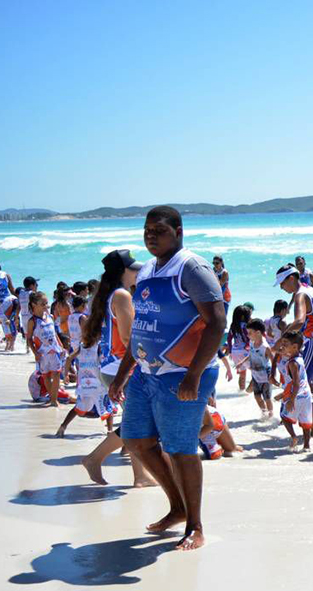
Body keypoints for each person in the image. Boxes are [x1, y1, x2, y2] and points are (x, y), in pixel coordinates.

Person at [109, 206, 226, 551]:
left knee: (180, 448)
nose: (151, 236)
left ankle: (195, 526)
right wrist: (122, 374)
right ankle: (177, 506)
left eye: (158, 230)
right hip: (145, 372)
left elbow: (217, 323)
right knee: (136, 439)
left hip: (182, 374)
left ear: (178, 231)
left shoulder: (192, 268)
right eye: (147, 231)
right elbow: (141, 328)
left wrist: (193, 375)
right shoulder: (147, 270)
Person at [79, 249, 152, 487]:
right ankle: (95, 458)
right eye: (133, 269)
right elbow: (128, 337)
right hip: (122, 368)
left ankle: (140, 475)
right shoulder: (121, 295)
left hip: (111, 367)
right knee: (137, 422)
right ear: (123, 271)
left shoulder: (109, 295)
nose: (137, 272)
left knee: (136, 421)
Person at [275, 262, 313, 439]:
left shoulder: (299, 295)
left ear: (291, 278)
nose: (281, 287)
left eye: (282, 283)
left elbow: (299, 321)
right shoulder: (310, 289)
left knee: (303, 386)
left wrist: (281, 340)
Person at [57, 337, 115, 437]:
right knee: (108, 408)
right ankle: (110, 431)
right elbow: (106, 361)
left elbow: (69, 358)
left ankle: (63, 426)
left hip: (85, 385)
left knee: (78, 408)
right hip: (98, 385)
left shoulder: (81, 347)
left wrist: (66, 374)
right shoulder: (99, 346)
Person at [275, 331, 313, 451]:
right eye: (282, 343)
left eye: (285, 343)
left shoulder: (292, 363)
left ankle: (294, 437)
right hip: (306, 395)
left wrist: (291, 399)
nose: (282, 346)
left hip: (296, 395)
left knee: (284, 417)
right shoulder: (300, 357)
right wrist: (282, 394)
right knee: (306, 422)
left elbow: (296, 382)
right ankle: (306, 446)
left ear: (295, 347)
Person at [26, 291, 65, 407]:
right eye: (43, 304)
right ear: (34, 304)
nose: (46, 306)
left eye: (47, 303)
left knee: (57, 374)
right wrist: (35, 353)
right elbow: (29, 339)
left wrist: (61, 345)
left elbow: (54, 333)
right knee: (46, 376)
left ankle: (54, 400)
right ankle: (52, 398)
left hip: (55, 351)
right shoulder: (32, 321)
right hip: (43, 353)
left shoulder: (50, 317)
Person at [243, 319, 275, 420]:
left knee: (267, 398)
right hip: (255, 375)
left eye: (250, 333)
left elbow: (273, 361)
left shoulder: (265, 347)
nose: (248, 335)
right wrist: (242, 362)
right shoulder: (252, 343)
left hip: (266, 377)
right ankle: (264, 413)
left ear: (258, 333)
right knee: (257, 396)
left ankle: (271, 416)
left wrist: (273, 376)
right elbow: (251, 354)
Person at [227, 305, 252, 391]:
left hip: (235, 352)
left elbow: (229, 339)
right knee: (256, 371)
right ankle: (249, 390)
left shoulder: (233, 326)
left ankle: (241, 392)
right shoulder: (245, 326)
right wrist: (247, 345)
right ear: (243, 316)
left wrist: (230, 351)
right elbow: (248, 337)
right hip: (244, 351)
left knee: (242, 373)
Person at [18, 277, 37, 353]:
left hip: (23, 316)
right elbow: (36, 304)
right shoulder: (32, 293)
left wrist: (16, 316)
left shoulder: (21, 293)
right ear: (32, 285)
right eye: (36, 285)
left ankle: (27, 349)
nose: (36, 286)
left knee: (27, 334)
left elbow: (19, 305)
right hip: (30, 316)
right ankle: (35, 349)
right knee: (35, 333)